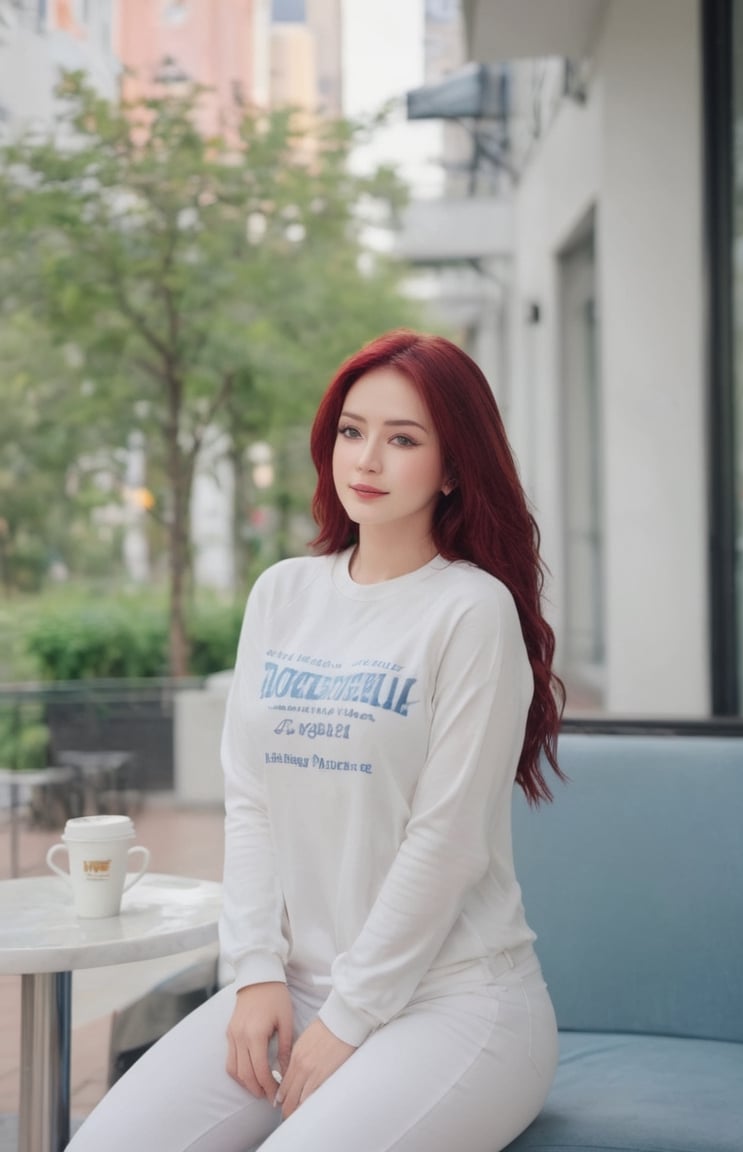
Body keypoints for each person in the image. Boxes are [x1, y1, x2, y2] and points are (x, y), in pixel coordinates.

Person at [67, 330, 565, 1152]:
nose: (366, 458)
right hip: (291, 988)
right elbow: (252, 802)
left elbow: (446, 844)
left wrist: (351, 1016)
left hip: (457, 1003)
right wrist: (255, 972)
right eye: (351, 430)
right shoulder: (283, 594)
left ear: (451, 468)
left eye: (403, 439)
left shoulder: (471, 612)